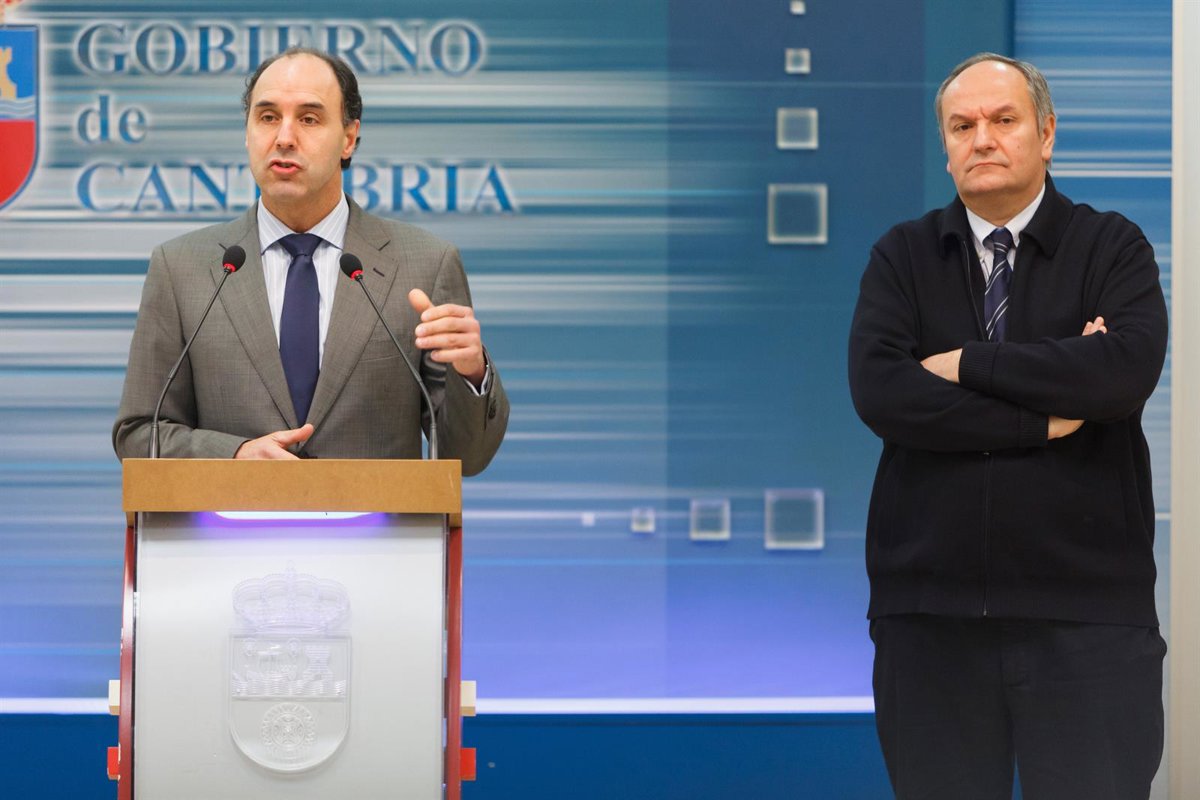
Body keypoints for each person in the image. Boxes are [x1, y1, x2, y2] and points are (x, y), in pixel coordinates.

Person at [848, 52, 1167, 799]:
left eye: (1003, 120)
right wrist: (1043, 416)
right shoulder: (902, 256)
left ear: (1046, 134)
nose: (982, 139)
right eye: (962, 126)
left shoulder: (1111, 246)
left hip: (1087, 619)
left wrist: (964, 362)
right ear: (946, 146)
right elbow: (883, 393)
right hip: (929, 620)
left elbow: (1121, 373)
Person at [113, 47, 507, 473]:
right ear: (247, 133)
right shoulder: (181, 269)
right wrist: (234, 455)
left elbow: (467, 457)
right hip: (232, 518)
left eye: (309, 119)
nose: (284, 137)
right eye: (267, 117)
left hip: (375, 518)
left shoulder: (426, 265)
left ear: (349, 138)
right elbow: (140, 434)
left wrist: (471, 372)